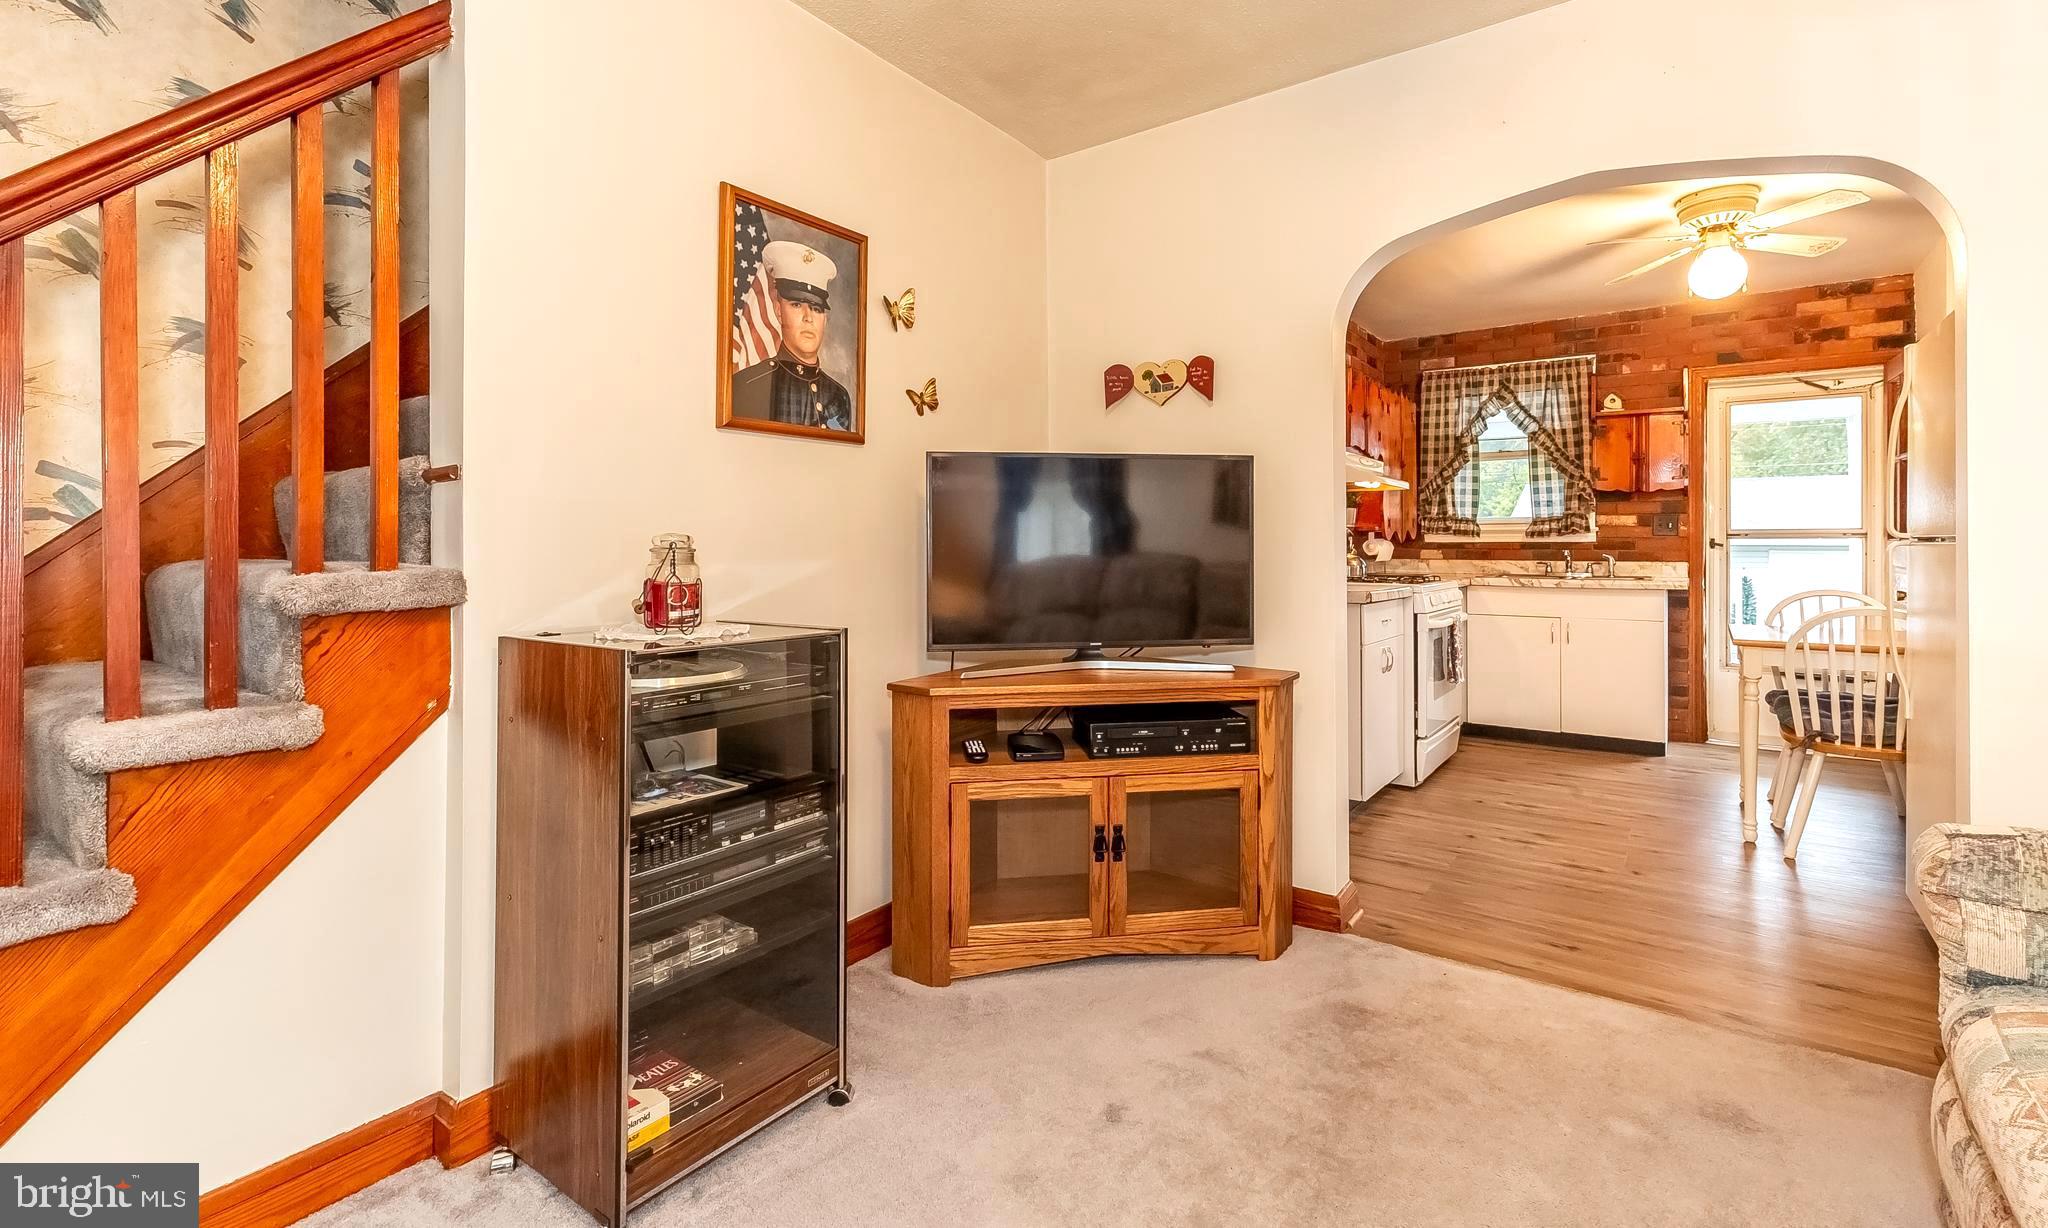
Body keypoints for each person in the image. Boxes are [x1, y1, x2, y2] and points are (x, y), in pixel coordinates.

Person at [730, 240, 854, 431]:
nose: (808, 318)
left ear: (825, 319)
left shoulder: (838, 396)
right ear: (779, 311)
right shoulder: (747, 386)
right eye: (797, 305)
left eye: (816, 308)